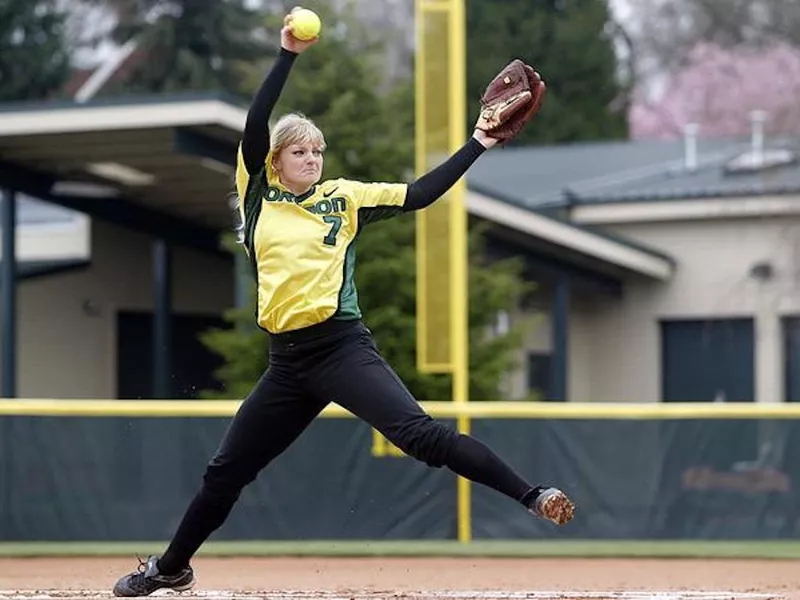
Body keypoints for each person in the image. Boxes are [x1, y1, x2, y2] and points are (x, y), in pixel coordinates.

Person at [112, 10, 574, 598]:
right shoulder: (258, 198)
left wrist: (478, 142)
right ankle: (171, 567)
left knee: (421, 437)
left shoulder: (344, 199)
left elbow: (420, 194)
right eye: (300, 152)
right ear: (276, 160)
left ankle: (534, 495)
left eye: (317, 152)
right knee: (225, 471)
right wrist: (287, 55)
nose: (312, 159)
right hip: (286, 364)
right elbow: (256, 123)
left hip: (340, 346)